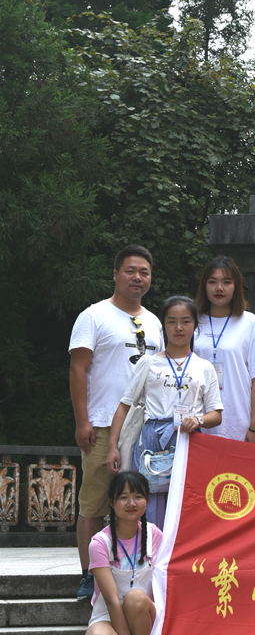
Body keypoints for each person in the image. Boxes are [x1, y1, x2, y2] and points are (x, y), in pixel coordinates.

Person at [69, 245, 161, 600]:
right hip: (103, 422)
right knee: (94, 500)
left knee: (138, 500)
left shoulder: (155, 322)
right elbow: (78, 369)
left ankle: (137, 569)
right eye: (130, 271)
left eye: (144, 272)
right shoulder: (94, 316)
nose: (137, 278)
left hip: (146, 427)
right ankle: (89, 573)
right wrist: (83, 421)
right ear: (115, 274)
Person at [106, 296, 222, 528]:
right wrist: (112, 447)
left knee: (187, 502)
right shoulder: (148, 363)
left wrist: (197, 420)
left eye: (185, 321)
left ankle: (179, 551)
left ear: (194, 325)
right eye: (172, 321)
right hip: (151, 441)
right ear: (163, 325)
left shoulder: (204, 367)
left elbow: (216, 414)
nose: (179, 327)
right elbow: (125, 405)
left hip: (188, 439)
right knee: (149, 501)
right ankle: (151, 548)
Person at [84, 471, 162, 635]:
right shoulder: (100, 543)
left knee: (135, 598)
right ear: (111, 502)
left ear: (147, 499)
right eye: (123, 497)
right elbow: (111, 601)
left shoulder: (154, 535)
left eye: (138, 496)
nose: (131, 503)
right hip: (110, 614)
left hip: (143, 613)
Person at [193, 256, 255, 443]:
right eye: (213, 282)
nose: (219, 288)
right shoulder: (192, 321)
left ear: (236, 286)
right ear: (204, 285)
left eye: (227, 282)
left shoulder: (251, 323)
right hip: (197, 421)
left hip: (238, 421)